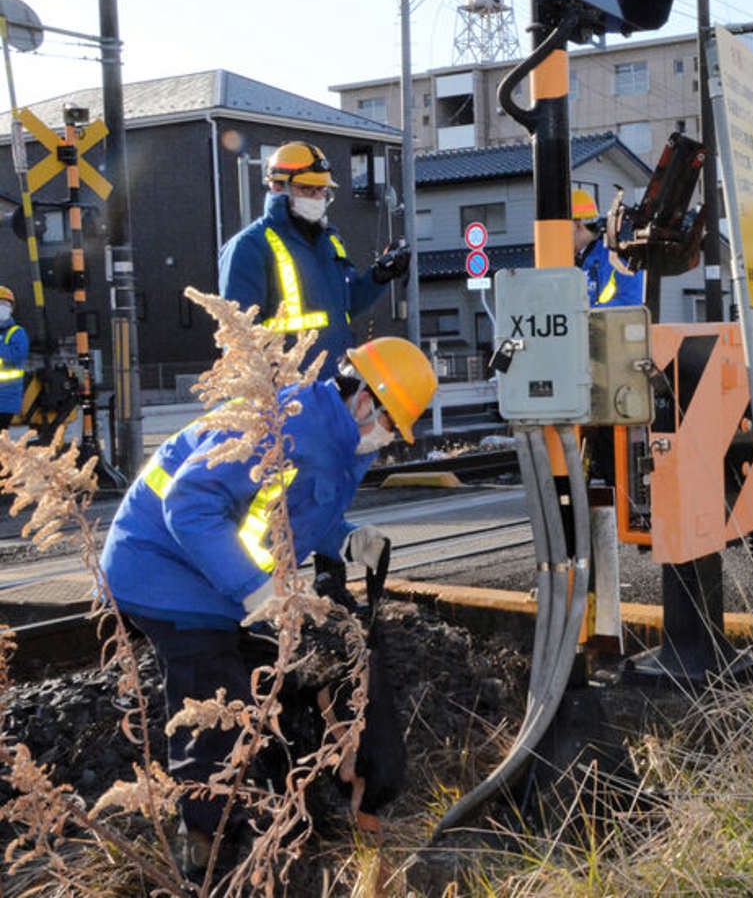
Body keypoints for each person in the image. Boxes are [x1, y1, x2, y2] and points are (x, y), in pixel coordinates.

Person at [99, 337, 436, 867]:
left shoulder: (332, 436)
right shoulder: (288, 425)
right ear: (367, 403)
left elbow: (291, 512)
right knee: (218, 707)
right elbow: (188, 507)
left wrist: (343, 538)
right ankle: (204, 853)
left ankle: (282, 810)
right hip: (161, 571)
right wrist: (254, 590)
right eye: (393, 428)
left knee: (278, 681)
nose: (388, 443)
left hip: (214, 574)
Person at [219, 142, 411, 378]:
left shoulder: (328, 241)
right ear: (278, 187)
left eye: (322, 191)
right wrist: (266, 397)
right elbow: (239, 336)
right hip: (289, 393)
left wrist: (379, 276)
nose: (318, 197)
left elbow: (345, 307)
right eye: (308, 189)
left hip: (336, 384)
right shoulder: (249, 246)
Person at [572, 189, 644, 308]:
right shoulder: (572, 261)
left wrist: (585, 314)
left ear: (578, 224)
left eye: (560, 229)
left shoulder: (618, 256)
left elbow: (631, 303)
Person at [0, 286, 27, 429]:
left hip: (6, 400)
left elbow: (17, 356)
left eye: (5, 304)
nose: (2, 308)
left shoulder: (17, 333)